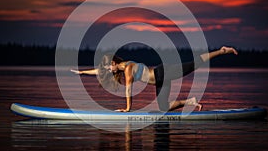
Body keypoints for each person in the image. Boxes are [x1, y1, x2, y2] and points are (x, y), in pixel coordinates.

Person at [71, 46, 238, 112]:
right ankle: (191, 102)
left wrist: (128, 109)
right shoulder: (119, 67)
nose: (107, 70)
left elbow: (128, 90)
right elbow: (99, 70)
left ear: (114, 63)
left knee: (193, 64)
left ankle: (221, 51)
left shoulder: (128, 69)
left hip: (163, 71)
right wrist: (82, 73)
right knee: (164, 107)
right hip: (159, 80)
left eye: (109, 67)